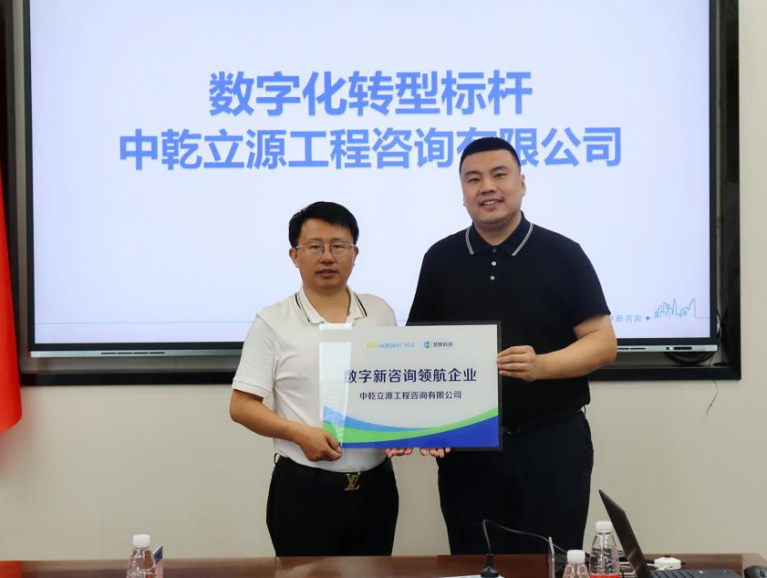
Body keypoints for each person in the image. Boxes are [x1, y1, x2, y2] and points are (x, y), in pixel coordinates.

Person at [407, 137, 617, 555]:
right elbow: (418, 351)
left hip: (552, 443)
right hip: (469, 451)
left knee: (553, 561)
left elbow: (602, 343)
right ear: (462, 192)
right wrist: (424, 424)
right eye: (473, 179)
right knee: (474, 561)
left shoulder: (563, 254)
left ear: (522, 183)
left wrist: (542, 366)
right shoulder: (440, 259)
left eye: (499, 175)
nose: (487, 187)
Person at [230, 201, 399, 557]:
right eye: (314, 247)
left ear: (354, 253)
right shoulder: (272, 321)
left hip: (376, 487)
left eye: (338, 246)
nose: (327, 257)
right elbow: (241, 406)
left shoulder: (380, 312)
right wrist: (299, 433)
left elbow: (394, 388)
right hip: (304, 488)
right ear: (294, 255)